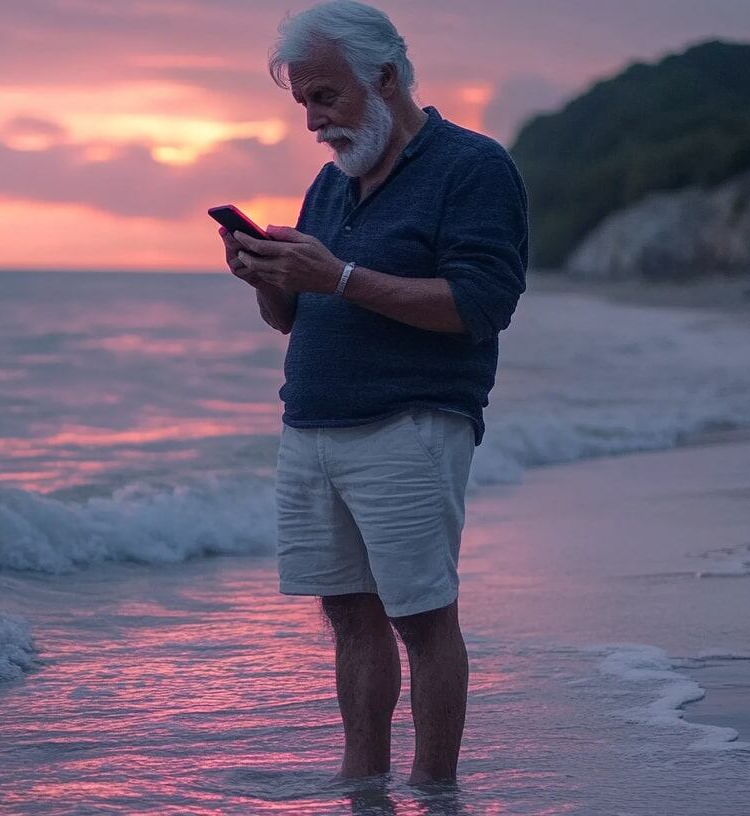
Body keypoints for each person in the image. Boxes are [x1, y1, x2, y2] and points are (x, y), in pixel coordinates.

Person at [218, 0, 529, 786]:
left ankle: (435, 791)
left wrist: (340, 276)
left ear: (384, 77)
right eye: (304, 104)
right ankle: (362, 787)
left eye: (325, 97)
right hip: (312, 425)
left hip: (412, 422)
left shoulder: (474, 166)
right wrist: (264, 278)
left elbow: (480, 305)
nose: (314, 121)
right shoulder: (331, 184)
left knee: (422, 618)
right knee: (348, 617)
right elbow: (297, 318)